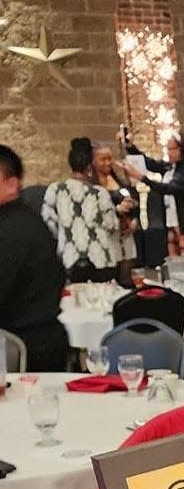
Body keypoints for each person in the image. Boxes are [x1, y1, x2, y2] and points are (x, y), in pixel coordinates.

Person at [0, 145, 70, 370]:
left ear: (12, 184)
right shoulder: (26, 219)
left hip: (24, 350)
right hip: (38, 340)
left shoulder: (13, 228)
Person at [41, 137, 129, 283]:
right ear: (89, 167)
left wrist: (65, 235)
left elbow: (48, 222)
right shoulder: (100, 193)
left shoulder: (55, 190)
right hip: (100, 258)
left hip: (70, 258)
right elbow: (112, 225)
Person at [122, 130, 184, 260]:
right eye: (168, 149)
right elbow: (150, 163)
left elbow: (168, 188)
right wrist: (131, 147)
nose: (169, 152)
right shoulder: (171, 167)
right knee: (175, 262)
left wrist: (140, 177)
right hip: (173, 222)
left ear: (182, 149)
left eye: (172, 149)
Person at [92, 141, 140, 282]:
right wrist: (117, 210)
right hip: (107, 237)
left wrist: (134, 220)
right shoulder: (92, 185)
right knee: (110, 278)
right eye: (103, 159)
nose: (108, 163)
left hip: (125, 234)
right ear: (93, 161)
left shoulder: (116, 179)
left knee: (126, 277)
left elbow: (133, 200)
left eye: (109, 158)